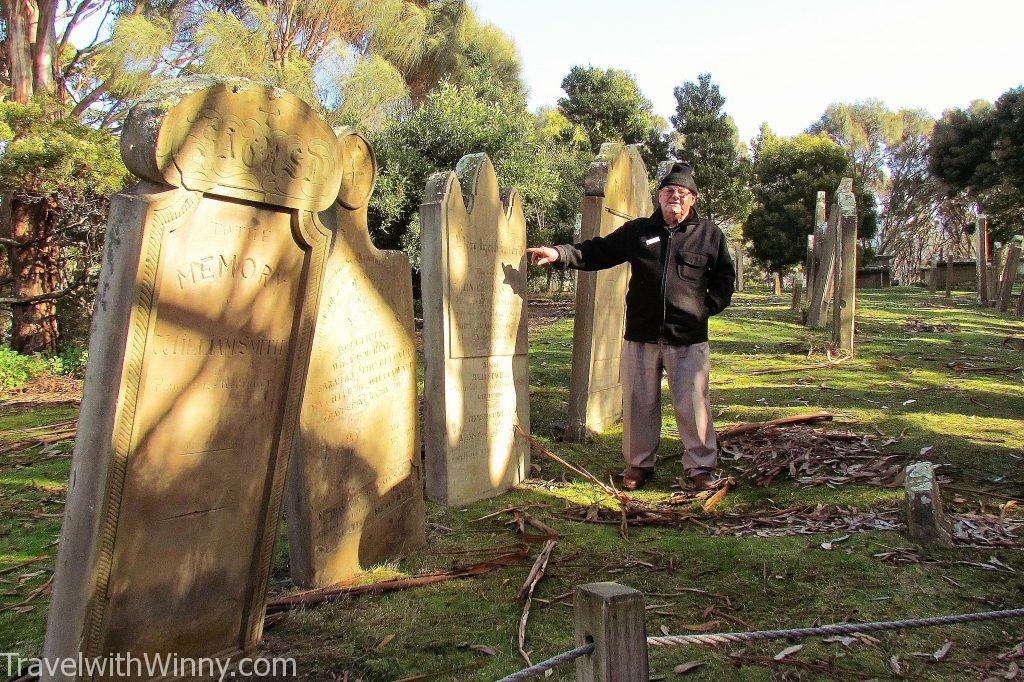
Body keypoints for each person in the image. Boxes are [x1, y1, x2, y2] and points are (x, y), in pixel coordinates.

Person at [527, 162, 735, 491]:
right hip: (641, 335)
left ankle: (700, 469)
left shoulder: (710, 235)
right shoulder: (639, 231)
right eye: (669, 191)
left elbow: (725, 279)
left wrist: (705, 309)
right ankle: (639, 465)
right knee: (639, 403)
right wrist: (558, 252)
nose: (675, 198)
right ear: (659, 196)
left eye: (683, 193)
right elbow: (598, 251)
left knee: (692, 404)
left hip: (688, 339)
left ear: (693, 199)